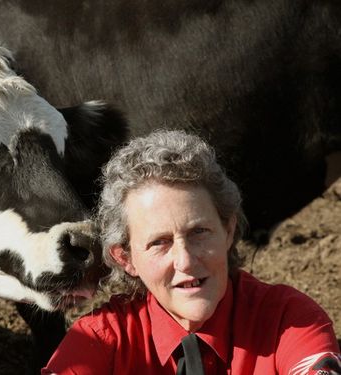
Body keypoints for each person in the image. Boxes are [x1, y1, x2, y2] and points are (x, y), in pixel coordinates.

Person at [42, 130, 340, 374]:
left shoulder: (289, 320)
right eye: (159, 242)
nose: (185, 261)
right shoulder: (100, 341)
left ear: (228, 231)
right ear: (126, 258)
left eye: (199, 232)